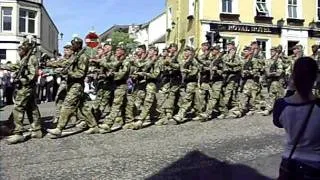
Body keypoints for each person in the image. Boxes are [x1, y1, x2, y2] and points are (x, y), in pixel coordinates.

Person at [273, 57, 320, 179]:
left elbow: (278, 123)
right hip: (315, 164)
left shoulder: (281, 105)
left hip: (289, 162)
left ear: (293, 77)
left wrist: (289, 89)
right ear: (316, 78)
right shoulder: (318, 106)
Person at [47, 37, 100, 137]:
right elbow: (65, 63)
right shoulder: (75, 55)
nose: (72, 46)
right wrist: (50, 64)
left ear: (79, 45)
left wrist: (68, 72)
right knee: (83, 107)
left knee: (67, 105)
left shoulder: (83, 57)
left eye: (74, 44)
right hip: (71, 84)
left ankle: (59, 128)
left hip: (77, 85)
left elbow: (81, 73)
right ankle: (93, 126)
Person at [5, 37, 42, 144]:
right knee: (31, 107)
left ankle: (18, 133)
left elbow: (33, 75)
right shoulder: (24, 58)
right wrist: (4, 66)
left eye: (21, 48)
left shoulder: (31, 58)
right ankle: (37, 130)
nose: (19, 50)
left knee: (18, 108)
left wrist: (20, 79)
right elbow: (16, 66)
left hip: (26, 87)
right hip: (26, 86)